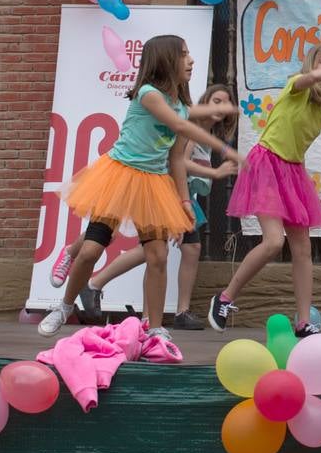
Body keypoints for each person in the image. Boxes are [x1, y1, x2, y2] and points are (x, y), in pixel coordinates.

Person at [39, 36, 239, 340]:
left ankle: (156, 328)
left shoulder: (181, 107)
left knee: (157, 256)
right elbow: (183, 125)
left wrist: (184, 202)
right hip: (120, 176)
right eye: (184, 55)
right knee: (92, 249)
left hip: (154, 183)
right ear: (165, 60)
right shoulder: (148, 94)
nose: (191, 61)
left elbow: (175, 159)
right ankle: (64, 307)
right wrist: (228, 151)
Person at [209, 45, 321, 337]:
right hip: (266, 165)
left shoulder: (318, 108)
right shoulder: (296, 86)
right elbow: (311, 78)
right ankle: (225, 297)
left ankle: (303, 322)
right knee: (274, 242)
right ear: (312, 67)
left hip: (292, 171)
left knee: (303, 250)